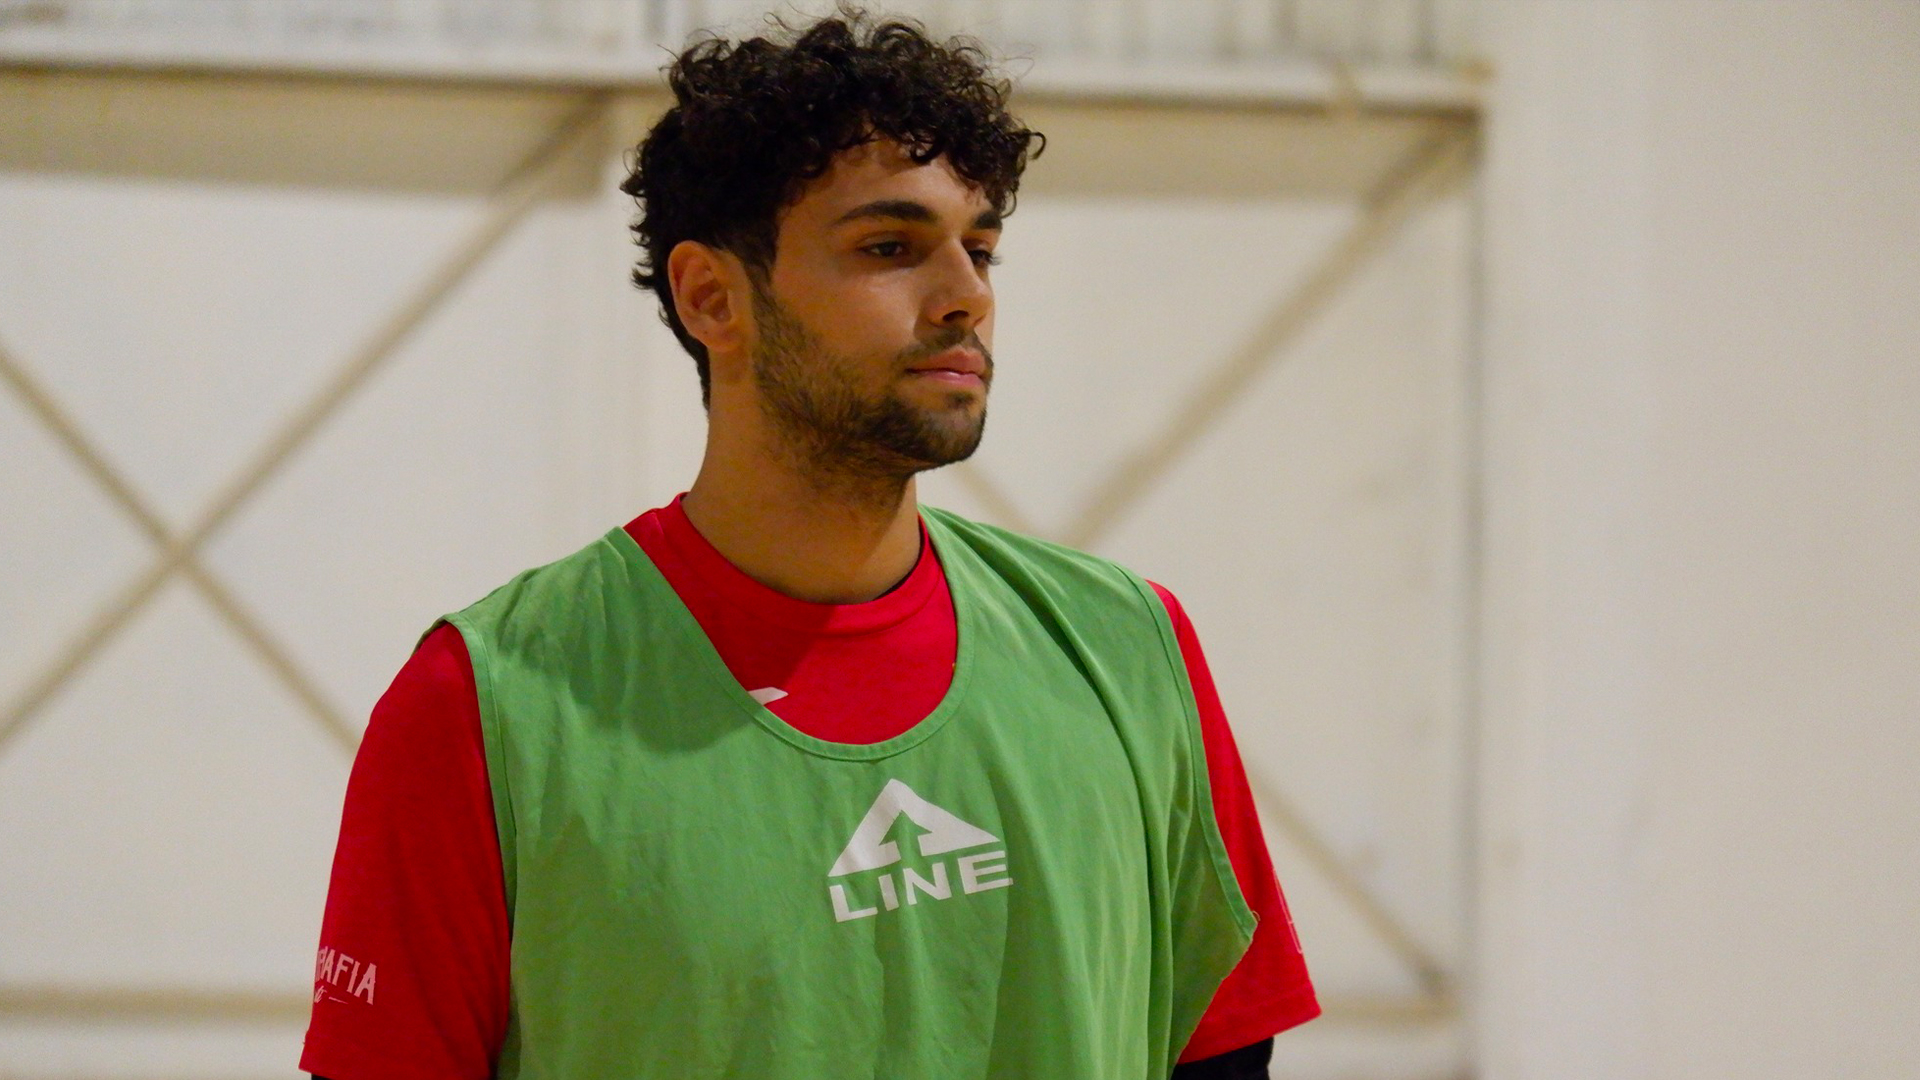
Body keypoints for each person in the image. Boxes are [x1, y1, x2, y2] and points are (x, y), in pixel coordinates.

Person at [300, 9, 1317, 1079]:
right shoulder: (489, 704)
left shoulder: (1129, 648)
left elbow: (1222, 1049)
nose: (968, 296)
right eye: (890, 247)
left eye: (979, 249)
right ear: (712, 297)